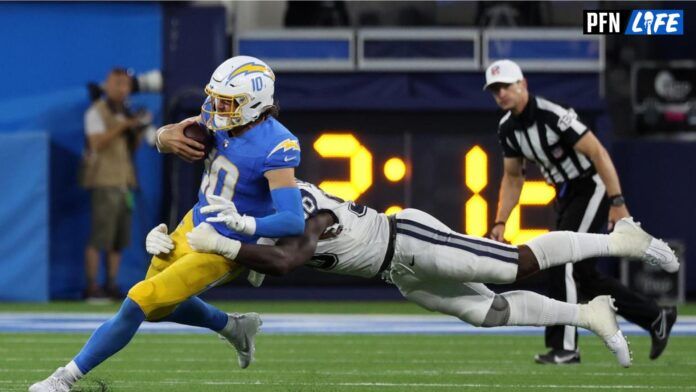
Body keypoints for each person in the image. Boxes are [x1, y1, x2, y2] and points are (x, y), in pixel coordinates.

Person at [149, 179, 678, 368]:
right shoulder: (260, 214)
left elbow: (282, 262)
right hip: (397, 274)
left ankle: (622, 240)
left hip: (408, 240)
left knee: (515, 264)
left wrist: (225, 243)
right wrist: (167, 246)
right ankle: (588, 313)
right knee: (486, 312)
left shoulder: (305, 207)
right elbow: (244, 261)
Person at [29, 56, 305, 392]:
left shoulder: (277, 144)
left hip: (225, 245)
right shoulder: (214, 113)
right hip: (194, 222)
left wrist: (246, 224)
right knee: (157, 308)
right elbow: (168, 137)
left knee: (141, 298)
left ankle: (64, 379)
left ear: (255, 103)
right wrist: (163, 135)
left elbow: (292, 221)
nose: (217, 107)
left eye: (228, 102)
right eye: (215, 98)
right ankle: (233, 327)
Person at [483, 59, 677, 364]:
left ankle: (566, 348)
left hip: (590, 187)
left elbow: (598, 152)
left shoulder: (552, 116)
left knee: (563, 262)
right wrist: (500, 222)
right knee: (584, 276)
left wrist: (617, 201)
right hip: (565, 196)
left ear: (523, 84)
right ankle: (655, 317)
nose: (501, 94)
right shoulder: (508, 129)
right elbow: (513, 177)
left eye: (506, 86)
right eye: (495, 89)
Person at [80, 68, 145, 301]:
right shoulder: (96, 112)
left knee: (119, 239)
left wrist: (138, 130)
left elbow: (130, 149)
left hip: (124, 182)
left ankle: (111, 284)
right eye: (117, 83)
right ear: (107, 85)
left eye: (126, 84)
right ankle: (92, 286)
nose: (122, 89)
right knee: (100, 236)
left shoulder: (125, 112)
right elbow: (96, 143)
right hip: (104, 180)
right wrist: (124, 126)